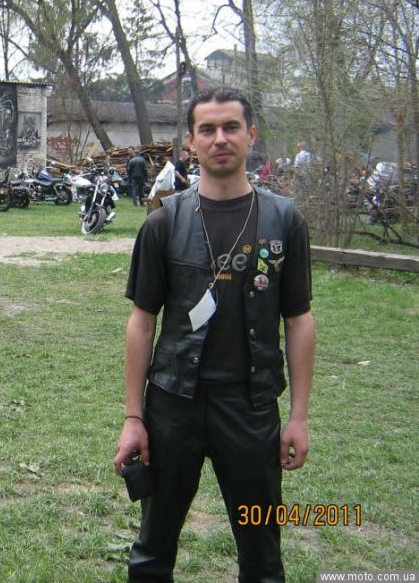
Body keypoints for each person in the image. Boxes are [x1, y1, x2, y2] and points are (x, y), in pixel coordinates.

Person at [113, 87, 315, 583]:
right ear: (191, 141)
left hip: (251, 407)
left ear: (251, 134)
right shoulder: (163, 222)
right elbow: (142, 322)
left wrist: (298, 417)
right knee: (152, 550)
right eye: (207, 129)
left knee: (263, 555)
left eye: (230, 127)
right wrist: (134, 417)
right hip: (172, 406)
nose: (219, 138)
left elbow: (298, 321)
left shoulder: (285, 221)